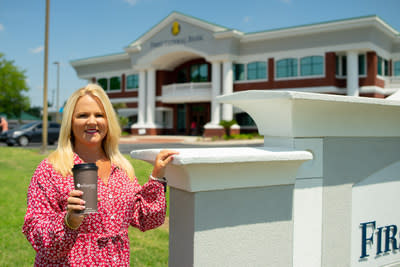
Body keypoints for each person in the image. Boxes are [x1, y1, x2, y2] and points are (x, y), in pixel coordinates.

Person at [22, 84, 178, 266]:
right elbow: (35, 230)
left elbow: (146, 219)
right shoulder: (51, 170)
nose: (92, 122)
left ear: (108, 120)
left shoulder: (121, 168)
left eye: (99, 115)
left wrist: (157, 176)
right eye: (82, 115)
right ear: (70, 122)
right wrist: (69, 221)